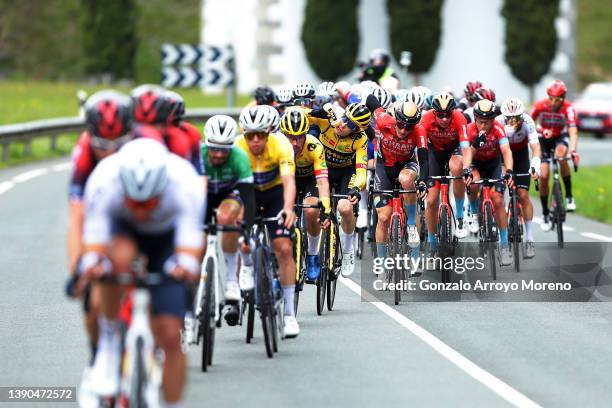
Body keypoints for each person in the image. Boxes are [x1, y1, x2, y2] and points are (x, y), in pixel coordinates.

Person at [77, 138, 205, 406]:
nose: (142, 211)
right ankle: (110, 340)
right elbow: (94, 244)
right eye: (135, 203)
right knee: (115, 261)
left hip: (168, 236)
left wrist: (183, 268)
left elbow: (190, 249)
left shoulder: (184, 182)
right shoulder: (105, 180)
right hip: (122, 229)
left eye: (148, 203)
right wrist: (94, 265)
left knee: (171, 334)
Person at [66, 90, 133, 365]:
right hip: (99, 215)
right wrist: (76, 270)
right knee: (94, 303)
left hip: (136, 211)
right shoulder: (83, 152)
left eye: (117, 144)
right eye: (101, 145)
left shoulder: (144, 145)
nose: (109, 153)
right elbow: (78, 217)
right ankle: (98, 355)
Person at [235, 105, 300, 337]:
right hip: (250, 192)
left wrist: (289, 209)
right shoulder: (238, 148)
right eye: (249, 135)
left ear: (268, 133)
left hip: (274, 194)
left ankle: (290, 315)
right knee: (238, 230)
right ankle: (247, 266)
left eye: (259, 135)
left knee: (283, 248)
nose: (255, 140)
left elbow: (289, 181)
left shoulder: (281, 145)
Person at [197, 115, 256, 328]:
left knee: (227, 218)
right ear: (206, 143)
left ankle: (231, 281)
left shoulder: (240, 157)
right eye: (214, 148)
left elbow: (249, 197)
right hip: (202, 194)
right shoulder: (197, 155)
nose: (220, 154)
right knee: (196, 244)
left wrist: (247, 228)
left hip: (229, 195)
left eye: (225, 149)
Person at [306, 103, 370, 277]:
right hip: (322, 169)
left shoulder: (360, 139)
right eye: (345, 118)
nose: (343, 125)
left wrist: (357, 188)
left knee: (345, 207)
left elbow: (361, 170)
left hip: (345, 173)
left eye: (350, 125)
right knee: (311, 209)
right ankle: (312, 253)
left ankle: (348, 249)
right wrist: (313, 111)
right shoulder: (327, 121)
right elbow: (299, 117)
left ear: (357, 130)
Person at [365, 95, 428, 263]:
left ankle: (412, 228)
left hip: (407, 164)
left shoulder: (419, 130)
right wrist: (364, 118)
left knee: (406, 180)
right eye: (400, 125)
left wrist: (422, 182)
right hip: (384, 167)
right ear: (395, 119)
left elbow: (424, 159)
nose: (403, 130)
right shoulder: (384, 120)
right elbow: (371, 99)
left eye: (409, 127)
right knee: (384, 218)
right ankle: (381, 263)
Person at [460, 99, 515, 266]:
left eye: (488, 122)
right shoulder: (468, 130)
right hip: (475, 163)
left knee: (498, 199)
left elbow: (506, 150)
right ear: (475, 119)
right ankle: (475, 213)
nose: (483, 126)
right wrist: (466, 168)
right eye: (480, 122)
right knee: (474, 183)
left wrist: (509, 171)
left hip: (493, 164)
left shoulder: (498, 129)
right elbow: (466, 154)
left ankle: (504, 247)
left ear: (493, 120)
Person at [280, 108, 331, 281]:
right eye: (290, 137)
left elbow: (323, 182)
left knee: (311, 210)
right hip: (288, 179)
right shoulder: (277, 145)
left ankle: (313, 254)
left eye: (299, 137)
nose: (294, 143)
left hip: (310, 179)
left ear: (306, 134)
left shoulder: (314, 146)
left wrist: (326, 209)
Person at [420, 92, 469, 247]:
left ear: (452, 112)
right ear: (434, 113)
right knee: (432, 200)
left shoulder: (459, 118)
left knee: (457, 168)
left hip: (454, 149)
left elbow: (466, 147)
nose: (444, 119)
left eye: (448, 115)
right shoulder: (426, 119)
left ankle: (460, 215)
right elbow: (420, 149)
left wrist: (466, 168)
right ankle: (432, 242)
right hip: (434, 152)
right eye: (440, 116)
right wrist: (422, 176)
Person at [530, 79, 580, 228]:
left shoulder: (568, 108)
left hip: (560, 137)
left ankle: (569, 197)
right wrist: (540, 130)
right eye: (550, 98)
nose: (553, 102)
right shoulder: (539, 106)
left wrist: (573, 150)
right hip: (543, 138)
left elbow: (573, 130)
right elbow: (527, 123)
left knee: (560, 155)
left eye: (557, 99)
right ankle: (545, 213)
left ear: (563, 98)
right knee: (544, 175)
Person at [496, 98, 541, 258]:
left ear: (522, 116)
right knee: (498, 195)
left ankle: (529, 238)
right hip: (503, 155)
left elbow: (535, 147)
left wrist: (535, 164)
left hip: (521, 156)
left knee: (523, 195)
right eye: (509, 118)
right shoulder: (498, 122)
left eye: (517, 117)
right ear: (504, 116)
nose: (513, 121)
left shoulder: (528, 121)